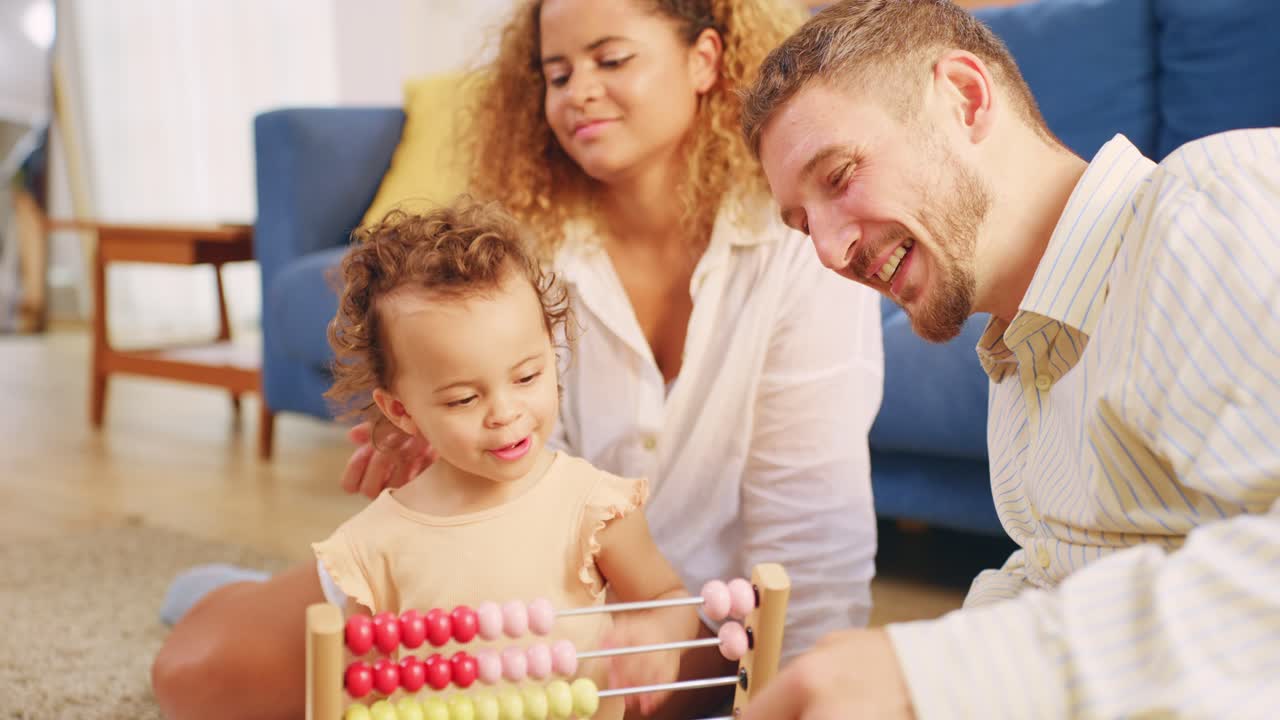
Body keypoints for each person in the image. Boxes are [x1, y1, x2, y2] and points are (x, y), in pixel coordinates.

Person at [152, 1, 884, 718]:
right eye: (555, 73)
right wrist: (444, 444)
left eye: (611, 58)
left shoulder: (800, 241)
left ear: (705, 59)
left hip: (690, 624)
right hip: (522, 603)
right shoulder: (528, 252)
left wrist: (799, 691)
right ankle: (232, 591)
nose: (577, 92)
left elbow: (814, 536)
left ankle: (244, 591)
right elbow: (513, 462)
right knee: (196, 672)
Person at [734, 1, 1280, 718]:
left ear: (965, 98)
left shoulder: (1208, 209)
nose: (830, 252)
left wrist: (929, 675)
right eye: (804, 225)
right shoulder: (1021, 369)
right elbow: (1059, 582)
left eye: (838, 177)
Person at [315, 201, 699, 719]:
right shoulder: (372, 547)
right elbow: (355, 690)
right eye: (462, 399)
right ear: (401, 411)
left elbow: (667, 596)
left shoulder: (592, 507)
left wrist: (659, 636)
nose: (505, 413)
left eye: (527, 377)